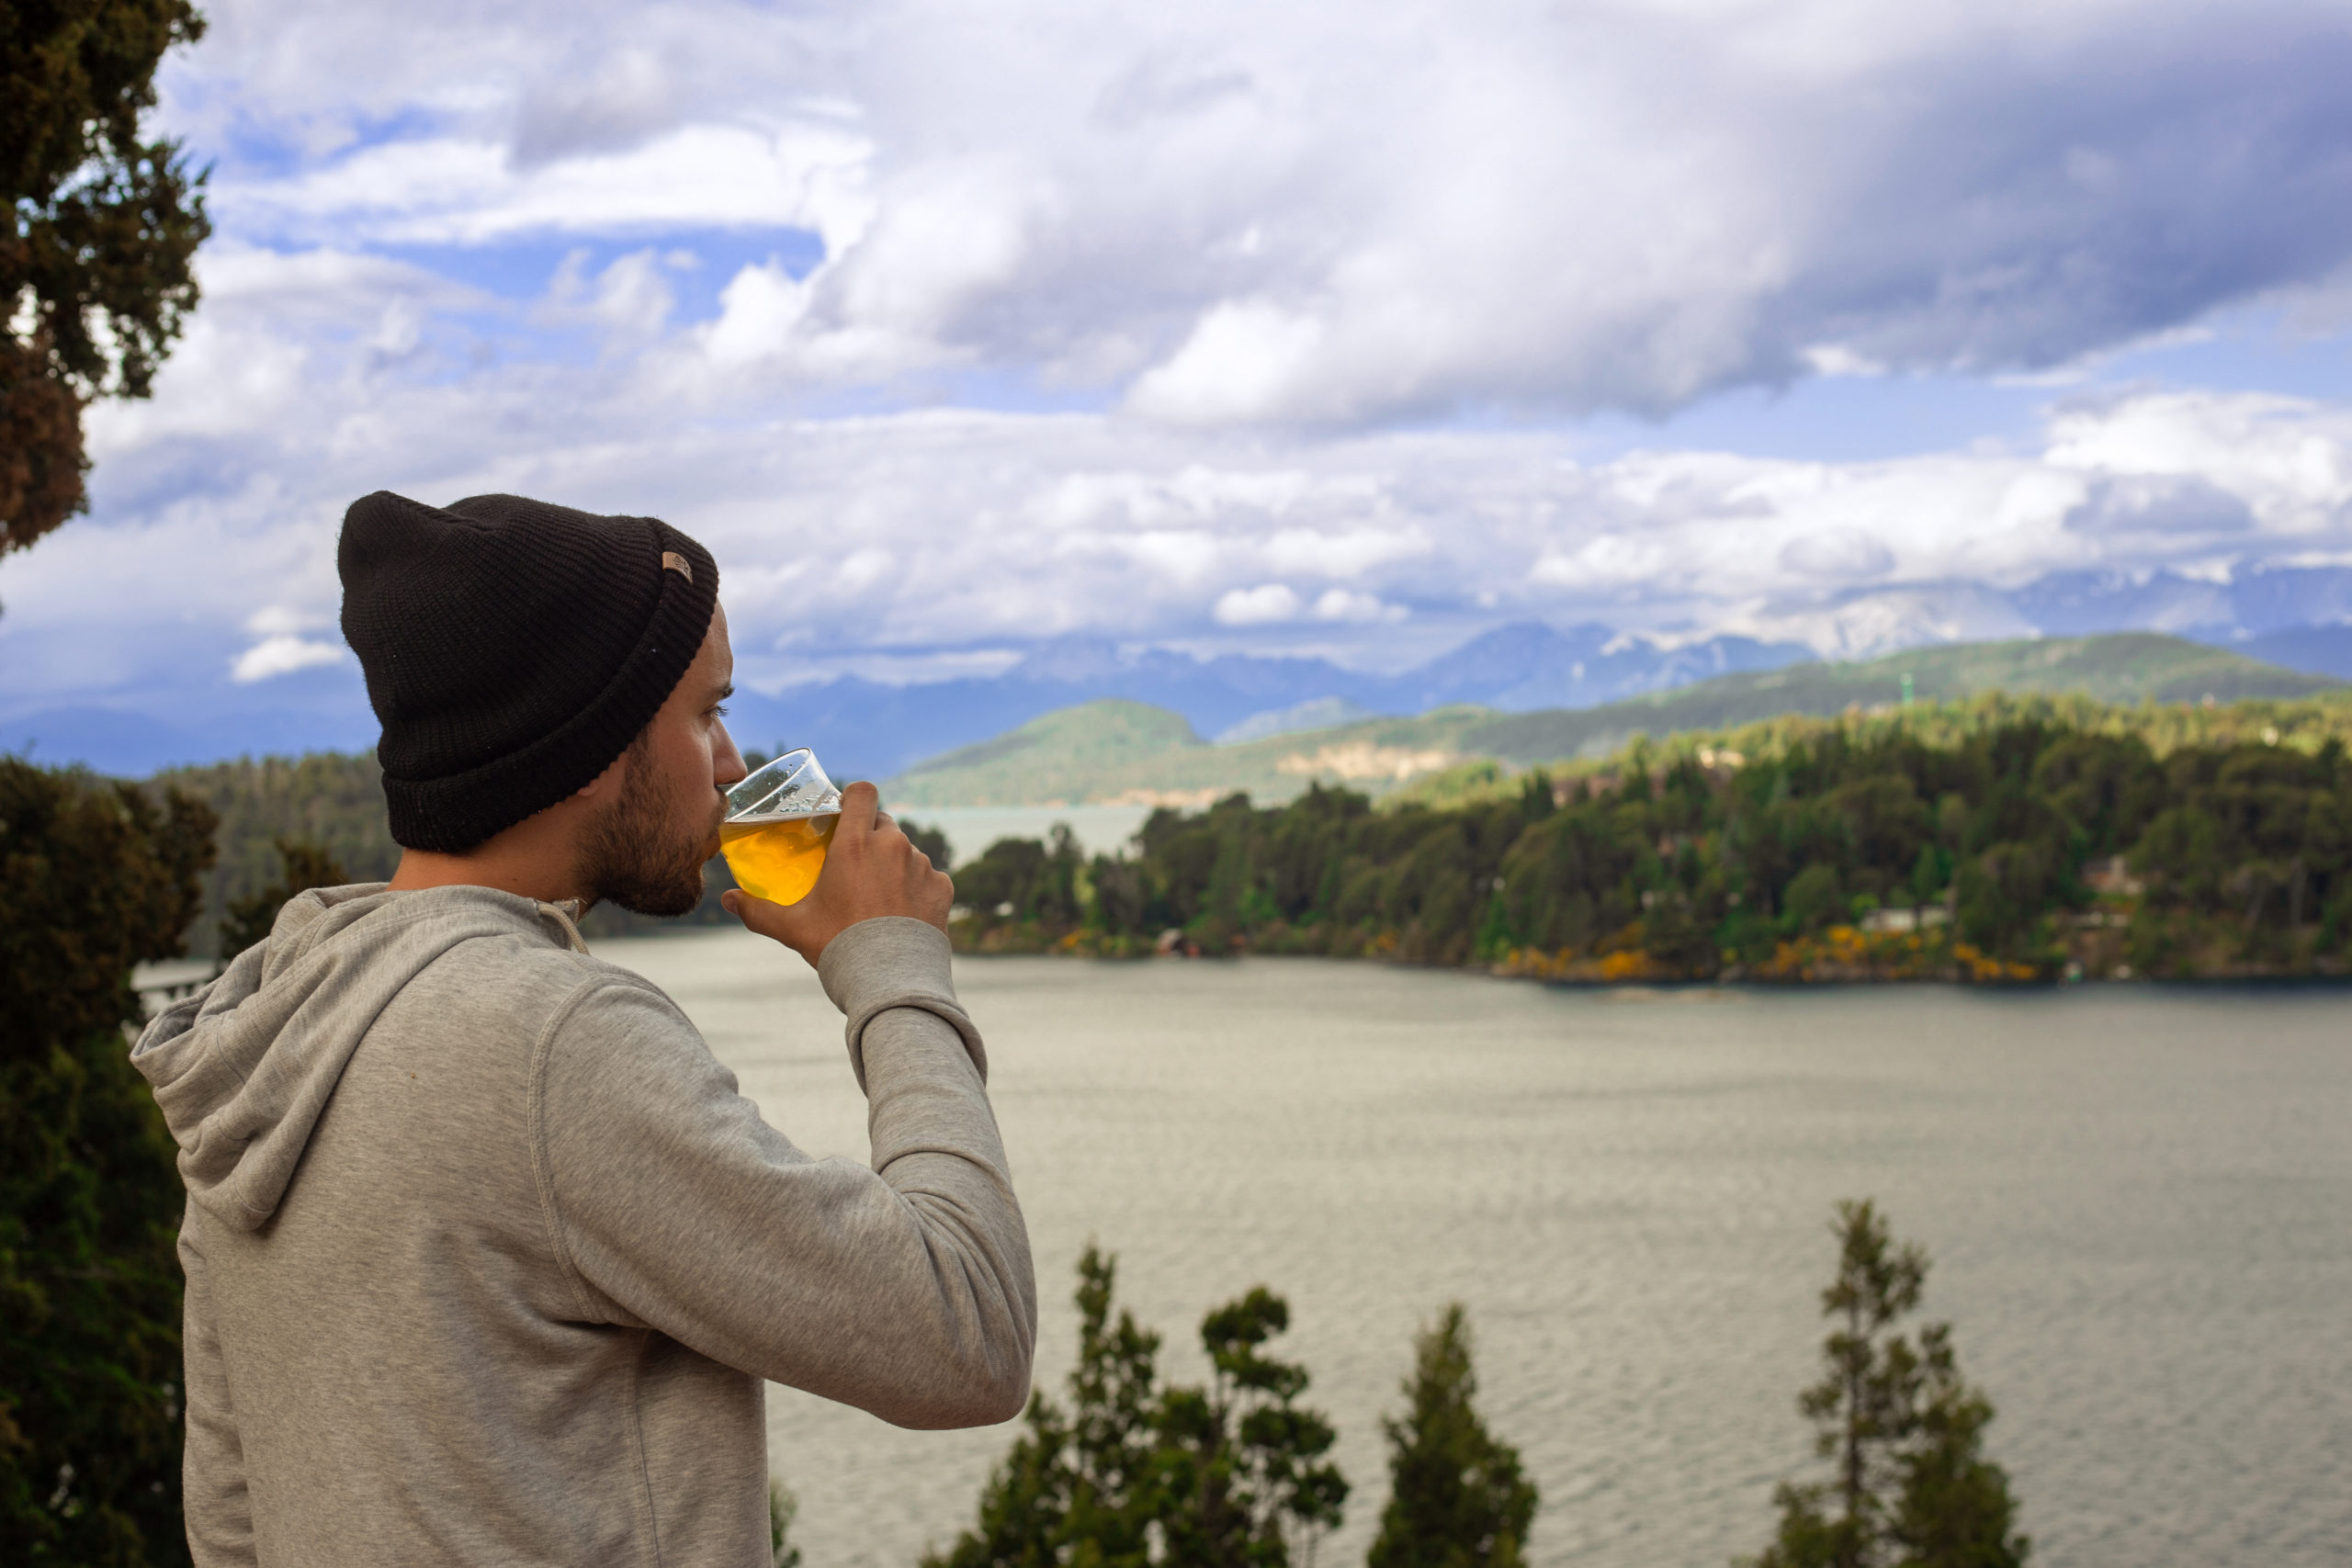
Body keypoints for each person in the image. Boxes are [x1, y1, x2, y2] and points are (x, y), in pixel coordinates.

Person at [131, 491, 1037, 1567]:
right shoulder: (552, 1043)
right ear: (595, 735)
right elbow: (968, 1332)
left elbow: (231, 1512)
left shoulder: (270, 1034)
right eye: (705, 714)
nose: (732, 765)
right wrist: (890, 963)